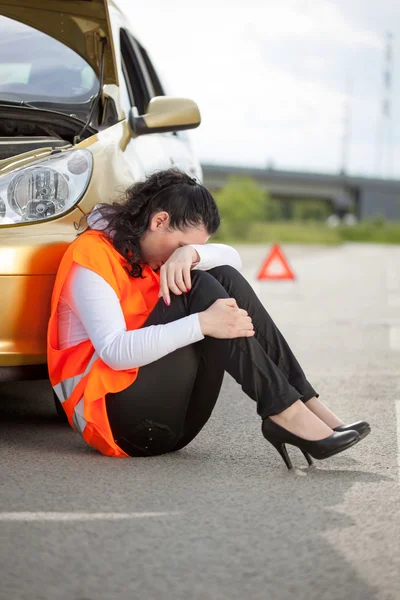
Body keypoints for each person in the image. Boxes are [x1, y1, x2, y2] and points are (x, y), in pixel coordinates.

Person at [47, 169, 370, 469]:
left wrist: (192, 254)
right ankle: (286, 413)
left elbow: (232, 260)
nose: (178, 256)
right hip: (116, 423)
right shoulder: (91, 256)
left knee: (222, 275)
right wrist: (201, 324)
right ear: (159, 221)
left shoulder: (149, 255)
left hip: (178, 427)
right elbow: (115, 352)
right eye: (181, 245)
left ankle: (305, 404)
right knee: (196, 286)